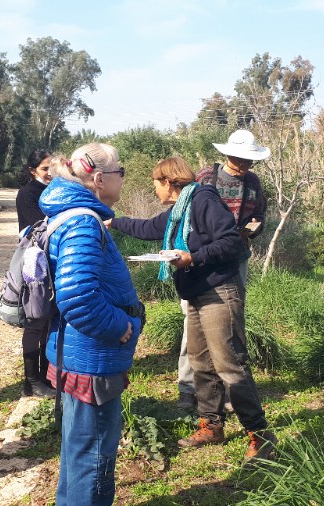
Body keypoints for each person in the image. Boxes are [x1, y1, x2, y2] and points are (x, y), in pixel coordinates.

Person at [107, 156, 276, 465]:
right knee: (201, 362)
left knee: (230, 364)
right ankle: (211, 425)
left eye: (155, 184)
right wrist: (113, 221)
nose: (154, 190)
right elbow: (149, 228)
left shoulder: (203, 201)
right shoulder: (179, 210)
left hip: (219, 291)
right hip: (198, 292)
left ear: (168, 182)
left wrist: (191, 258)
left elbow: (232, 243)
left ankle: (261, 434)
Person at [39, 143, 143, 505]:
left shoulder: (70, 212)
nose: (123, 178)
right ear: (99, 179)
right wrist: (121, 326)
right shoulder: (84, 221)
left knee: (79, 449)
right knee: (94, 457)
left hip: (80, 353)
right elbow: (79, 298)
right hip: (93, 357)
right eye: (121, 172)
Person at [176, 129, 270, 410]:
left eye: (249, 160)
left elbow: (260, 215)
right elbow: (186, 212)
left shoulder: (253, 182)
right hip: (202, 259)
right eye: (241, 158)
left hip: (234, 258)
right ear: (228, 154)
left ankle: (227, 390)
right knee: (193, 323)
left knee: (228, 324)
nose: (245, 165)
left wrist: (252, 229)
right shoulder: (208, 177)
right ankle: (188, 386)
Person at [15, 149, 57, 398]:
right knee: (34, 321)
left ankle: (44, 376)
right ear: (33, 171)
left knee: (48, 321)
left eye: (52, 168)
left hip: (50, 261)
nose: (49, 173)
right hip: (34, 264)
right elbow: (36, 227)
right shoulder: (28, 193)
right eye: (44, 169)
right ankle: (31, 381)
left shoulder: (53, 191)